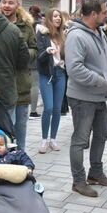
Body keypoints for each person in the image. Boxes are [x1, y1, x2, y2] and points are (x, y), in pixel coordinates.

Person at [65, 0, 107, 197]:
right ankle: (78, 181)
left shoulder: (99, 32)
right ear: (93, 14)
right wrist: (99, 80)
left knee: (102, 133)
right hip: (83, 97)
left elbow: (105, 60)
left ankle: (95, 173)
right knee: (80, 140)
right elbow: (74, 68)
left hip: (98, 96)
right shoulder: (76, 35)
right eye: (104, 12)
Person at [0, 0, 37, 151]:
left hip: (21, 85)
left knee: (20, 128)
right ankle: (4, 158)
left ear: (17, 5)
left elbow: (34, 49)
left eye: (10, 2)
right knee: (4, 130)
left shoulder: (26, 27)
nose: (7, 6)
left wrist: (22, 55)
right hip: (1, 86)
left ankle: (20, 158)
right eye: (4, 2)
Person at [36, 9, 67, 153]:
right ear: (49, 18)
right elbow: (38, 57)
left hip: (60, 73)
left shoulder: (63, 36)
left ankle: (53, 139)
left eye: (59, 16)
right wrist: (47, 51)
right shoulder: (42, 35)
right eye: (55, 16)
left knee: (56, 109)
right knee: (48, 107)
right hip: (46, 74)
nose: (58, 18)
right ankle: (44, 140)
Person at [29, 5, 43, 117]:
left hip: (25, 56)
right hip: (36, 58)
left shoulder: (25, 23)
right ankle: (33, 111)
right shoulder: (41, 25)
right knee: (34, 85)